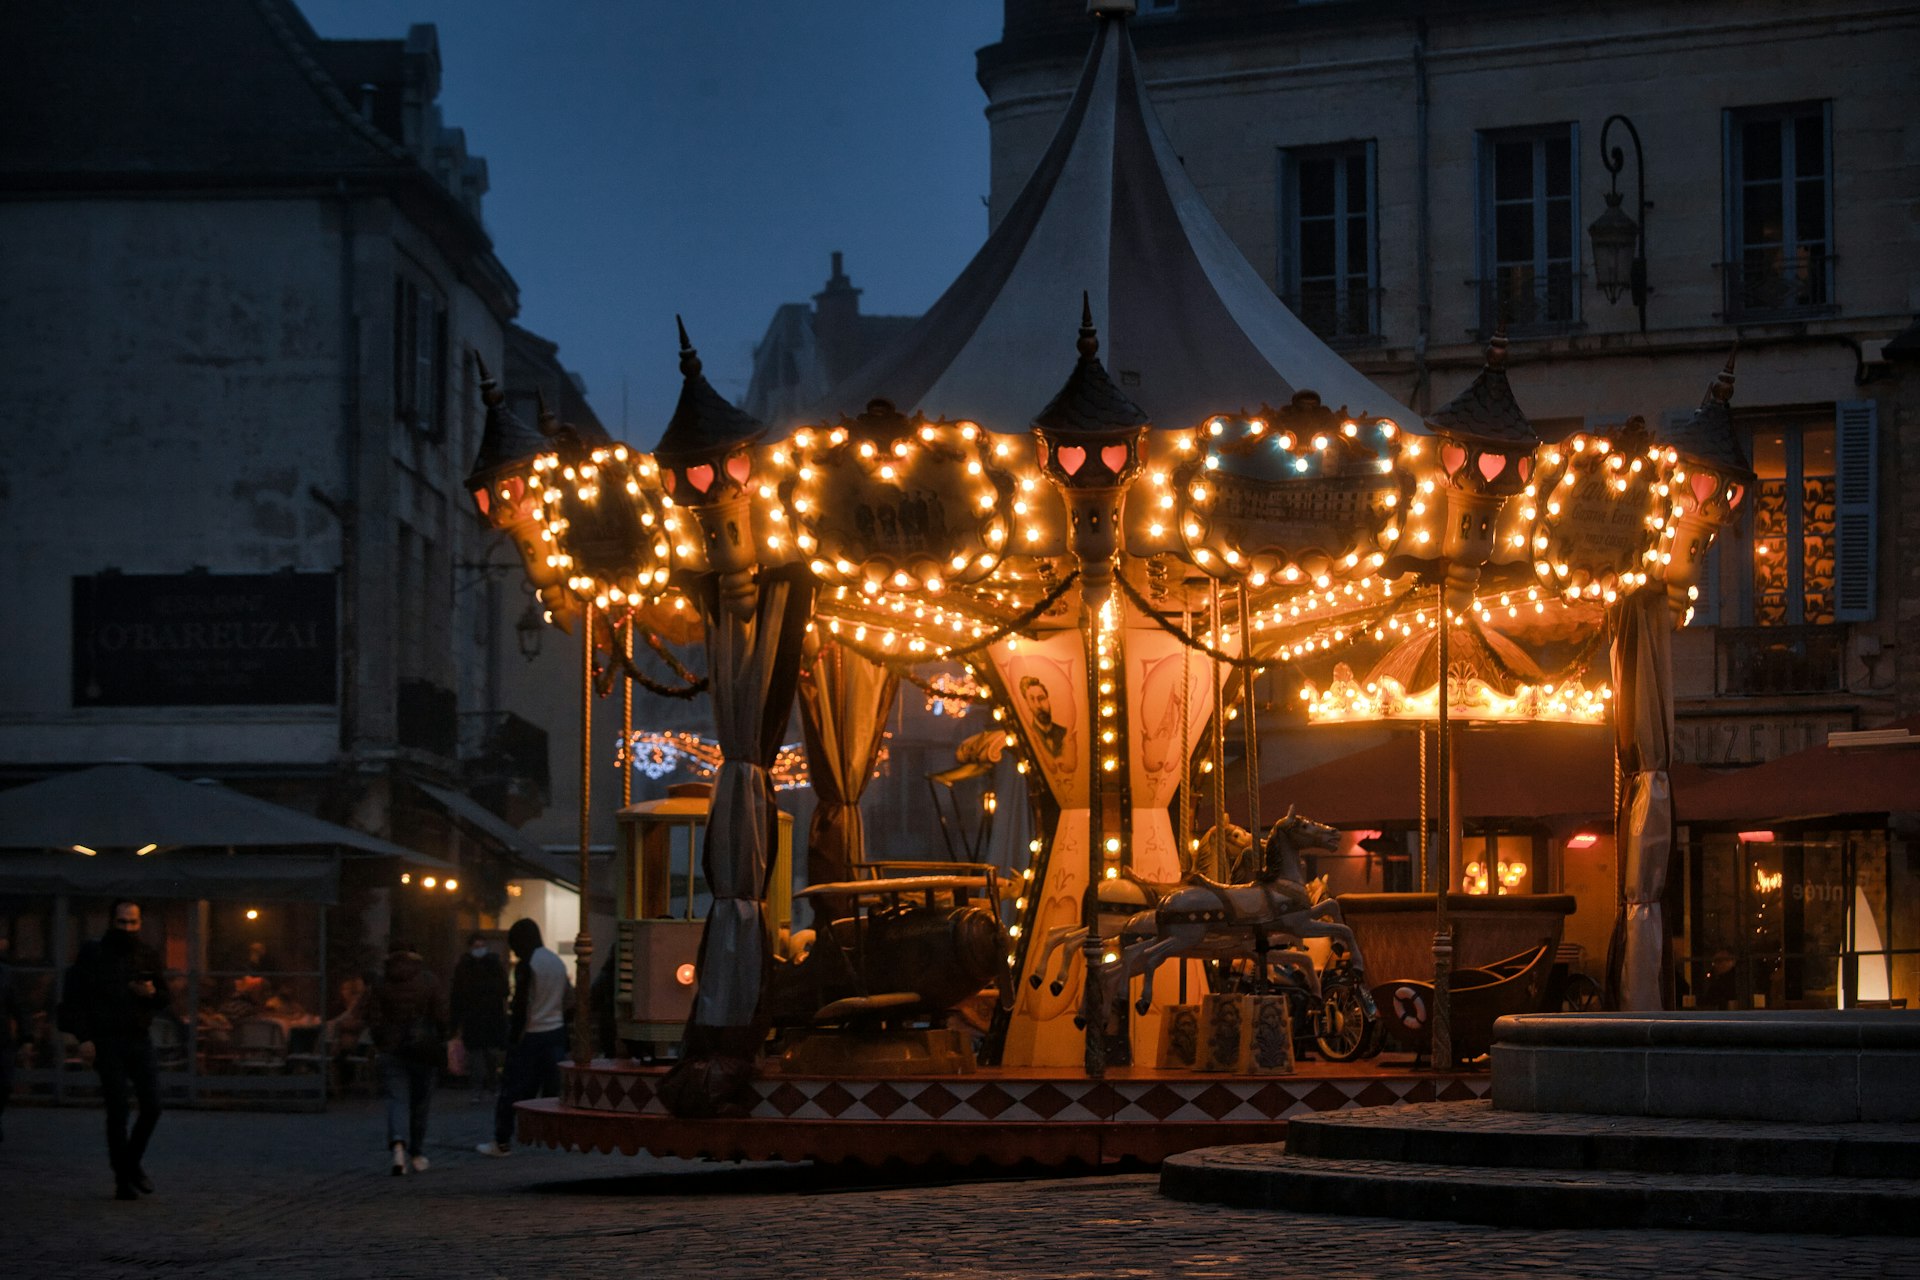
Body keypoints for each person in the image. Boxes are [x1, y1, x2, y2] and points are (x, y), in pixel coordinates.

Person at [60, 899, 171, 1199]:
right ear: (112, 922)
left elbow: (164, 996)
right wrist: (84, 1037)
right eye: (123, 922)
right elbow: (73, 998)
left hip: (137, 1037)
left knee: (152, 1106)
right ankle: (124, 1177)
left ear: (139, 923)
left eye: (132, 922)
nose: (128, 928)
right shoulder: (94, 954)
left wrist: (149, 994)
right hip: (107, 1040)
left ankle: (130, 1164)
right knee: (118, 1109)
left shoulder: (146, 953)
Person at [476, 918, 571, 1157]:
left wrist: (512, 1037)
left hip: (531, 1033)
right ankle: (553, 1137)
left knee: (513, 1088)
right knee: (552, 1090)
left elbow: (521, 1005)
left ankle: (502, 1140)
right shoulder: (556, 962)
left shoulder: (528, 964)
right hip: (556, 1031)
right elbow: (568, 999)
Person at [359, 941, 448, 1176]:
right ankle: (417, 1153)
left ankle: (398, 1147)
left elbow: (372, 1016)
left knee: (396, 1100)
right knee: (420, 1103)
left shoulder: (381, 981)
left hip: (391, 1049)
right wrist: (442, 1036)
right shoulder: (428, 980)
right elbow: (441, 1014)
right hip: (423, 1049)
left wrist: (382, 1040)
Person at [448, 934, 509, 1105]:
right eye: (476, 946)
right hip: (474, 1019)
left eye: (481, 945)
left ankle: (491, 1086)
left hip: (490, 1018)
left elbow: (504, 990)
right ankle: (479, 1089)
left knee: (490, 1056)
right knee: (476, 1059)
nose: (479, 949)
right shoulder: (464, 967)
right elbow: (457, 996)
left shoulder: (493, 965)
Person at [0, 936, 24, 1143]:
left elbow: (15, 1004)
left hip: (2, 1037)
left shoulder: (5, 973)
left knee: (5, 1082)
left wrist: (25, 1033)